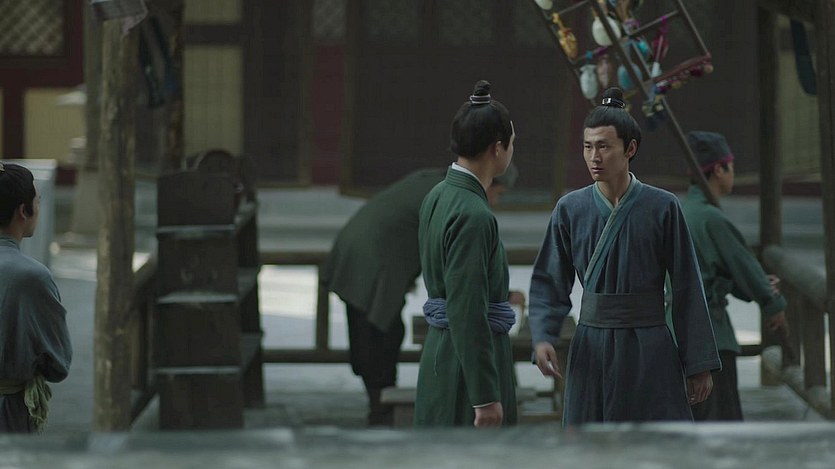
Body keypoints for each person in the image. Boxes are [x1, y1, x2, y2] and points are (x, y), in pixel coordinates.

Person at [528, 87, 721, 425]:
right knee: (591, 442)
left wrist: (698, 362)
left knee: (655, 441)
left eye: (604, 146)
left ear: (630, 148)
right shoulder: (570, 209)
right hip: (592, 344)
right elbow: (549, 280)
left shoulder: (662, 207)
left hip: (650, 344)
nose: (594, 157)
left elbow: (687, 285)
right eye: (587, 146)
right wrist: (543, 335)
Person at [322, 161, 519, 427]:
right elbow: (462, 266)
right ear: (490, 180)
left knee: (380, 335)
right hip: (372, 258)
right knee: (378, 338)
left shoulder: (438, 183)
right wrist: (500, 294)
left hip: (361, 250)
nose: (495, 201)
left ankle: (380, 408)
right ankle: (380, 411)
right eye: (499, 193)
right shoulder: (456, 199)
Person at [414, 80, 517, 428]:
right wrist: (485, 395)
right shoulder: (473, 214)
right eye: (512, 143)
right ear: (497, 148)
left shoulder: (439, 194)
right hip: (466, 367)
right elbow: (468, 308)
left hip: (442, 353)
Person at [682, 130, 788, 421]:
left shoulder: (684, 210)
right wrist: (772, 303)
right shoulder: (710, 218)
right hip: (712, 335)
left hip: (681, 333)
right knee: (721, 420)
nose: (733, 173)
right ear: (718, 170)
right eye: (731, 166)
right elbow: (744, 266)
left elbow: (719, 271)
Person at [0, 162, 72, 433]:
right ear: (24, 211)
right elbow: (58, 363)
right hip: (7, 414)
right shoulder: (31, 276)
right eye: (37, 201)